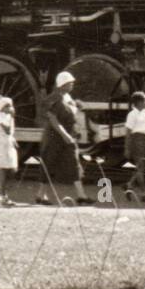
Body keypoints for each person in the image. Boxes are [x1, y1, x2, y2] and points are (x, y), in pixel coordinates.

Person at [35, 71, 91, 206]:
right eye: (70, 83)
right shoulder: (55, 98)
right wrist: (65, 135)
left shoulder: (66, 96)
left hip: (67, 136)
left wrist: (76, 104)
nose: (72, 85)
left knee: (74, 163)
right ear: (63, 85)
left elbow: (70, 109)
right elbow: (53, 119)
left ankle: (81, 196)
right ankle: (40, 195)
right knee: (49, 164)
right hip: (55, 137)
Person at [123, 91, 145, 203]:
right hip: (137, 141)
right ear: (138, 102)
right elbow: (128, 132)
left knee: (142, 167)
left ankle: (129, 185)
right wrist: (127, 148)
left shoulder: (143, 113)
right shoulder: (132, 115)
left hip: (144, 141)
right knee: (140, 168)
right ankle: (144, 193)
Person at [0, 97, 19, 207]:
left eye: (10, 105)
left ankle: (3, 194)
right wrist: (11, 117)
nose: (10, 108)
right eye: (7, 106)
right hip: (2, 145)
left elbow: (10, 133)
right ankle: (2, 196)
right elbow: (7, 130)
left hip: (8, 144)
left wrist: (13, 140)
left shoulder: (7, 116)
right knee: (3, 170)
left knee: (11, 170)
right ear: (2, 107)